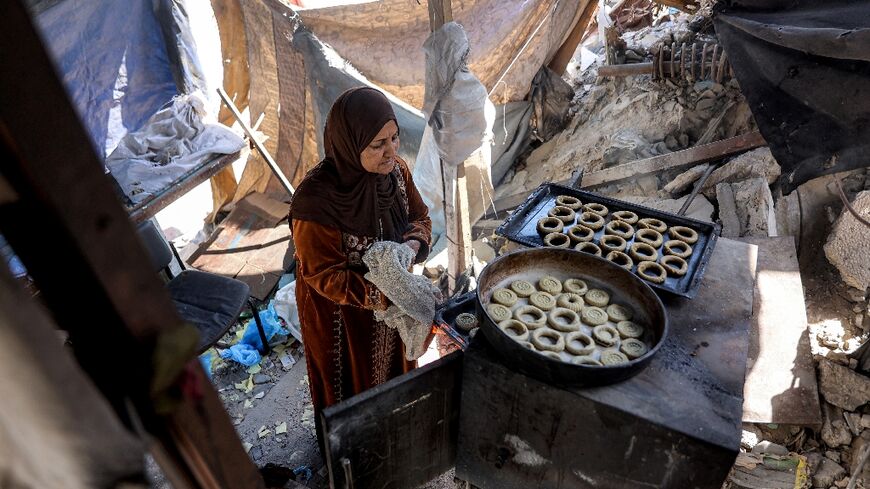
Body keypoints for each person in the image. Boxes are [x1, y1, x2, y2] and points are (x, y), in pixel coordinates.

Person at [289, 87, 432, 439]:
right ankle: (351, 452)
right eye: (377, 144)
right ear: (350, 144)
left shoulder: (396, 173)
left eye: (394, 138)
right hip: (340, 317)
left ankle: (395, 438)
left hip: (392, 307)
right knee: (350, 387)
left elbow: (420, 216)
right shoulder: (315, 202)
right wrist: (385, 295)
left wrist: (411, 246)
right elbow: (322, 274)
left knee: (394, 373)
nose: (391, 151)